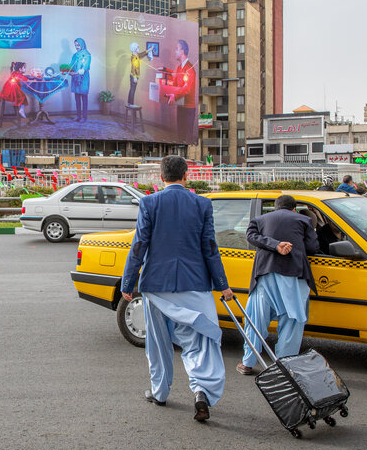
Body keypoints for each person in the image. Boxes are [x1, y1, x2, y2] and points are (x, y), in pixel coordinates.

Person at [120, 155, 233, 422]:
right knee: (200, 342)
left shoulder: (149, 202)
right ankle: (201, 391)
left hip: (157, 285)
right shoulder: (203, 204)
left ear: (161, 177)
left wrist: (128, 282)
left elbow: (139, 245)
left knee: (158, 343)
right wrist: (223, 286)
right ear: (186, 175)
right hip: (195, 285)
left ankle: (159, 393)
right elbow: (210, 249)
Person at [237, 194, 320, 375]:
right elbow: (313, 248)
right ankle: (284, 366)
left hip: (265, 273)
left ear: (275, 208)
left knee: (256, 318)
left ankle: (248, 362)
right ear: (293, 209)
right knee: (292, 320)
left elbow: (250, 236)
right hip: (294, 275)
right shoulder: (304, 220)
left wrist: (275, 244)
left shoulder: (259, 220)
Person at [159, 39, 198, 145]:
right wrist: (165, 72)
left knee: (188, 136)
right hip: (180, 106)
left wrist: (174, 96)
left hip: (189, 108)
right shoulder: (179, 67)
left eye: (176, 49)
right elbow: (176, 82)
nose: (175, 51)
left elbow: (187, 88)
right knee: (180, 134)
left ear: (182, 51)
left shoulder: (190, 68)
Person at [69, 37, 92, 122]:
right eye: (75, 45)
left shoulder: (87, 54)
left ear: (82, 44)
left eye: (78, 45)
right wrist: (67, 71)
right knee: (77, 98)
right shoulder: (75, 55)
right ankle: (78, 115)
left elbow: (85, 67)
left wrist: (76, 73)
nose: (77, 46)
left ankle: (84, 117)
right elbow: (71, 65)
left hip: (83, 79)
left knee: (84, 98)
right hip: (75, 79)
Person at [127, 41, 151, 108]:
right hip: (134, 76)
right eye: (137, 47)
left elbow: (141, 54)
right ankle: (131, 104)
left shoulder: (136, 55)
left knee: (131, 89)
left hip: (134, 75)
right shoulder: (134, 57)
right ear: (134, 48)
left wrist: (148, 50)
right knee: (132, 90)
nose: (138, 48)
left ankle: (129, 103)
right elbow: (134, 67)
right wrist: (135, 77)